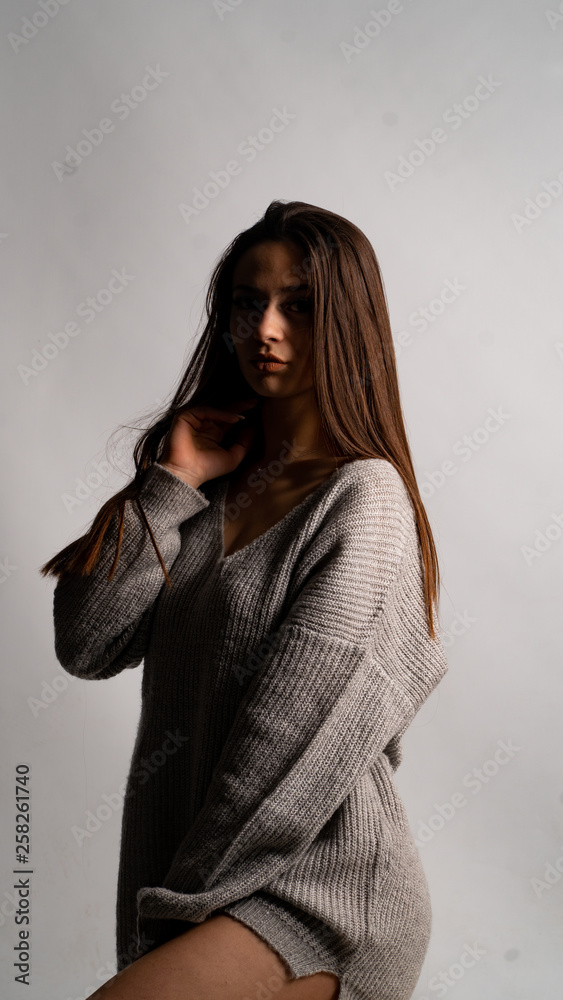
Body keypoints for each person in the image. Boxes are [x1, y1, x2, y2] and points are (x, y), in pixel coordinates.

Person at [41, 200, 449, 1000]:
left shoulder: (362, 499)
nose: (265, 328)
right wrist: (171, 482)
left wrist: (180, 913)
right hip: (208, 888)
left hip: (320, 895)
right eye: (246, 302)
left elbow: (284, 744)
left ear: (348, 323)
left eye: (299, 306)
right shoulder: (204, 492)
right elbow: (86, 643)